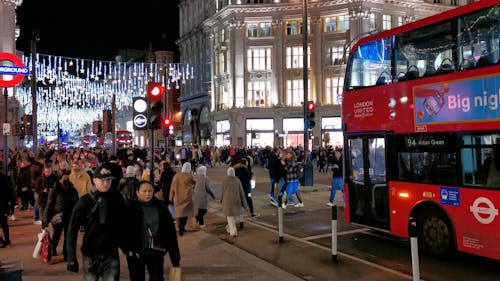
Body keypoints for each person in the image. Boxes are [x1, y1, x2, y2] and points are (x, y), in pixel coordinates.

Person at [65, 166, 126, 280]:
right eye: (102, 180)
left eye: (108, 180)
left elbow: (123, 225)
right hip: (91, 254)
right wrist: (71, 256)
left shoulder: (117, 199)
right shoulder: (84, 202)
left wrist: (128, 247)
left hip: (111, 253)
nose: (106, 183)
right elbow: (72, 230)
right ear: (94, 181)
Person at [123, 181, 181, 281]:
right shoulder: (130, 208)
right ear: (137, 192)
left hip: (156, 253)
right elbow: (122, 231)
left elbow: (170, 234)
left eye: (150, 191)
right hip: (136, 254)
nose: (147, 194)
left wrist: (175, 259)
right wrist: (127, 249)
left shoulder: (161, 208)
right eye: (144, 191)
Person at [43, 172, 79, 259]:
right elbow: (49, 205)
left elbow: (77, 204)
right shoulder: (54, 190)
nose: (66, 186)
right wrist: (45, 220)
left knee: (68, 235)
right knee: (57, 234)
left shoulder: (74, 190)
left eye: (67, 184)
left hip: (70, 216)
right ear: (60, 182)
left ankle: (66, 253)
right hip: (57, 216)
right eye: (64, 184)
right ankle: (53, 248)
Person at [220, 167, 248, 241]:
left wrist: (221, 200)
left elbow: (222, 191)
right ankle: (231, 230)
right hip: (236, 201)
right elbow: (242, 193)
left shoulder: (224, 180)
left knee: (230, 217)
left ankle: (233, 232)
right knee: (234, 216)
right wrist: (245, 204)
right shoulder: (237, 181)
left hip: (227, 201)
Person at [169, 162, 195, 236]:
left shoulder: (176, 176)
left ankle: (180, 226)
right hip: (187, 197)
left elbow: (172, 186)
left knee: (179, 213)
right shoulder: (190, 176)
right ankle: (182, 226)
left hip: (177, 197)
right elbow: (195, 183)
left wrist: (170, 196)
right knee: (186, 213)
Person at [0, 171, 15, 248]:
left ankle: (6, 241)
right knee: (4, 224)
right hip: (3, 205)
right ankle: (6, 241)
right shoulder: (4, 177)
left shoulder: (3, 177)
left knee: (4, 224)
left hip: (2, 205)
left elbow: (8, 192)